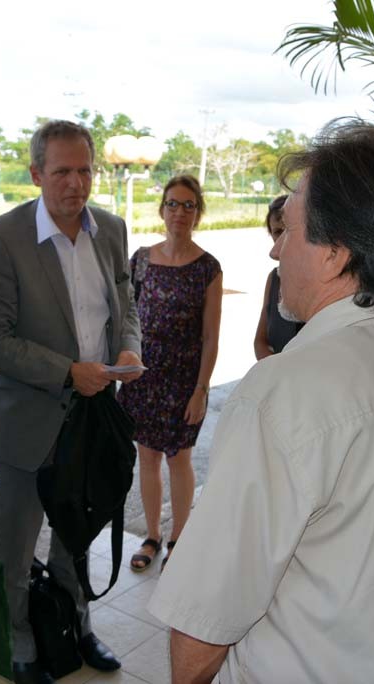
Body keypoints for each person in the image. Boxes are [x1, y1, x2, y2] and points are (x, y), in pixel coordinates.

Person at [148, 121, 374, 683]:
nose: (276, 248)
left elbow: (203, 623)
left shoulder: (286, 392)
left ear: (334, 253)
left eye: (289, 229)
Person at [0, 119, 142, 684]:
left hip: (92, 421)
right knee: (14, 550)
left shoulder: (112, 230)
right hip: (26, 426)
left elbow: (127, 305)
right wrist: (68, 372)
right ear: (37, 173)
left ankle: (77, 626)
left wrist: (128, 349)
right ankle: (19, 647)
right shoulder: (3, 238)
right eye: (62, 171)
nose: (76, 183)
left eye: (84, 170)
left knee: (77, 536)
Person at [118, 174, 223, 572]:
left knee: (178, 458)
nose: (180, 212)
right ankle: (152, 536)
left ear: (198, 213)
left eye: (189, 205)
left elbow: (211, 337)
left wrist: (201, 389)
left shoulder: (208, 268)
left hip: (183, 379)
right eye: (173, 204)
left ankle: (180, 537)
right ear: (162, 209)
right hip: (143, 376)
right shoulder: (142, 258)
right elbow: (127, 315)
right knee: (146, 458)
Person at [253, 194, 303, 359]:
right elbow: (260, 340)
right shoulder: (274, 278)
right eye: (277, 232)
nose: (282, 239)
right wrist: (275, 371)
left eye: (288, 230)